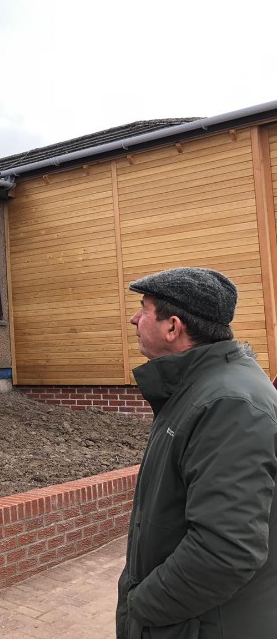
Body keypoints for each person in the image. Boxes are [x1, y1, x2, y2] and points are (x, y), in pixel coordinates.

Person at [116, 267, 277, 638]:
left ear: (173, 327)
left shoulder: (228, 404)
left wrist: (142, 606)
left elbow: (226, 550)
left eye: (143, 309)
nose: (134, 318)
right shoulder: (198, 388)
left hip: (203, 624)